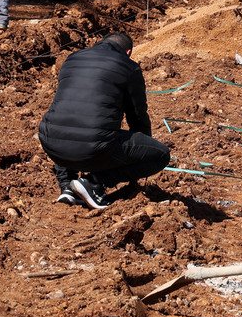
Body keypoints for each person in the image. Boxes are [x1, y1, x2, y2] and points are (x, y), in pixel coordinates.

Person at [37, 32, 169, 210]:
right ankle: (94, 183)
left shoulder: (73, 59)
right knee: (161, 155)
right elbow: (137, 116)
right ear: (128, 52)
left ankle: (68, 186)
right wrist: (143, 152)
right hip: (91, 147)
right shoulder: (129, 67)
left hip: (50, 141)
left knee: (68, 122)